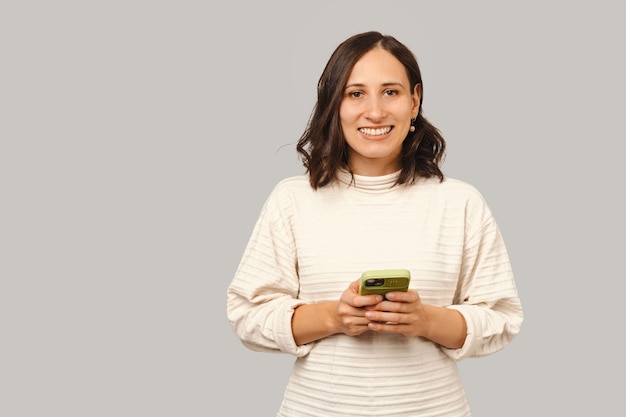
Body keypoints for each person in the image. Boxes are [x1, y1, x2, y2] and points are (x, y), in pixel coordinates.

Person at [226, 31, 523, 416]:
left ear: (414, 101)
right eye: (355, 93)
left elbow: (501, 318)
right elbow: (247, 315)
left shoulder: (460, 202)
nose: (375, 112)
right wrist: (334, 316)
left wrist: (425, 319)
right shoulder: (293, 200)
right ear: (335, 104)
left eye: (391, 92)